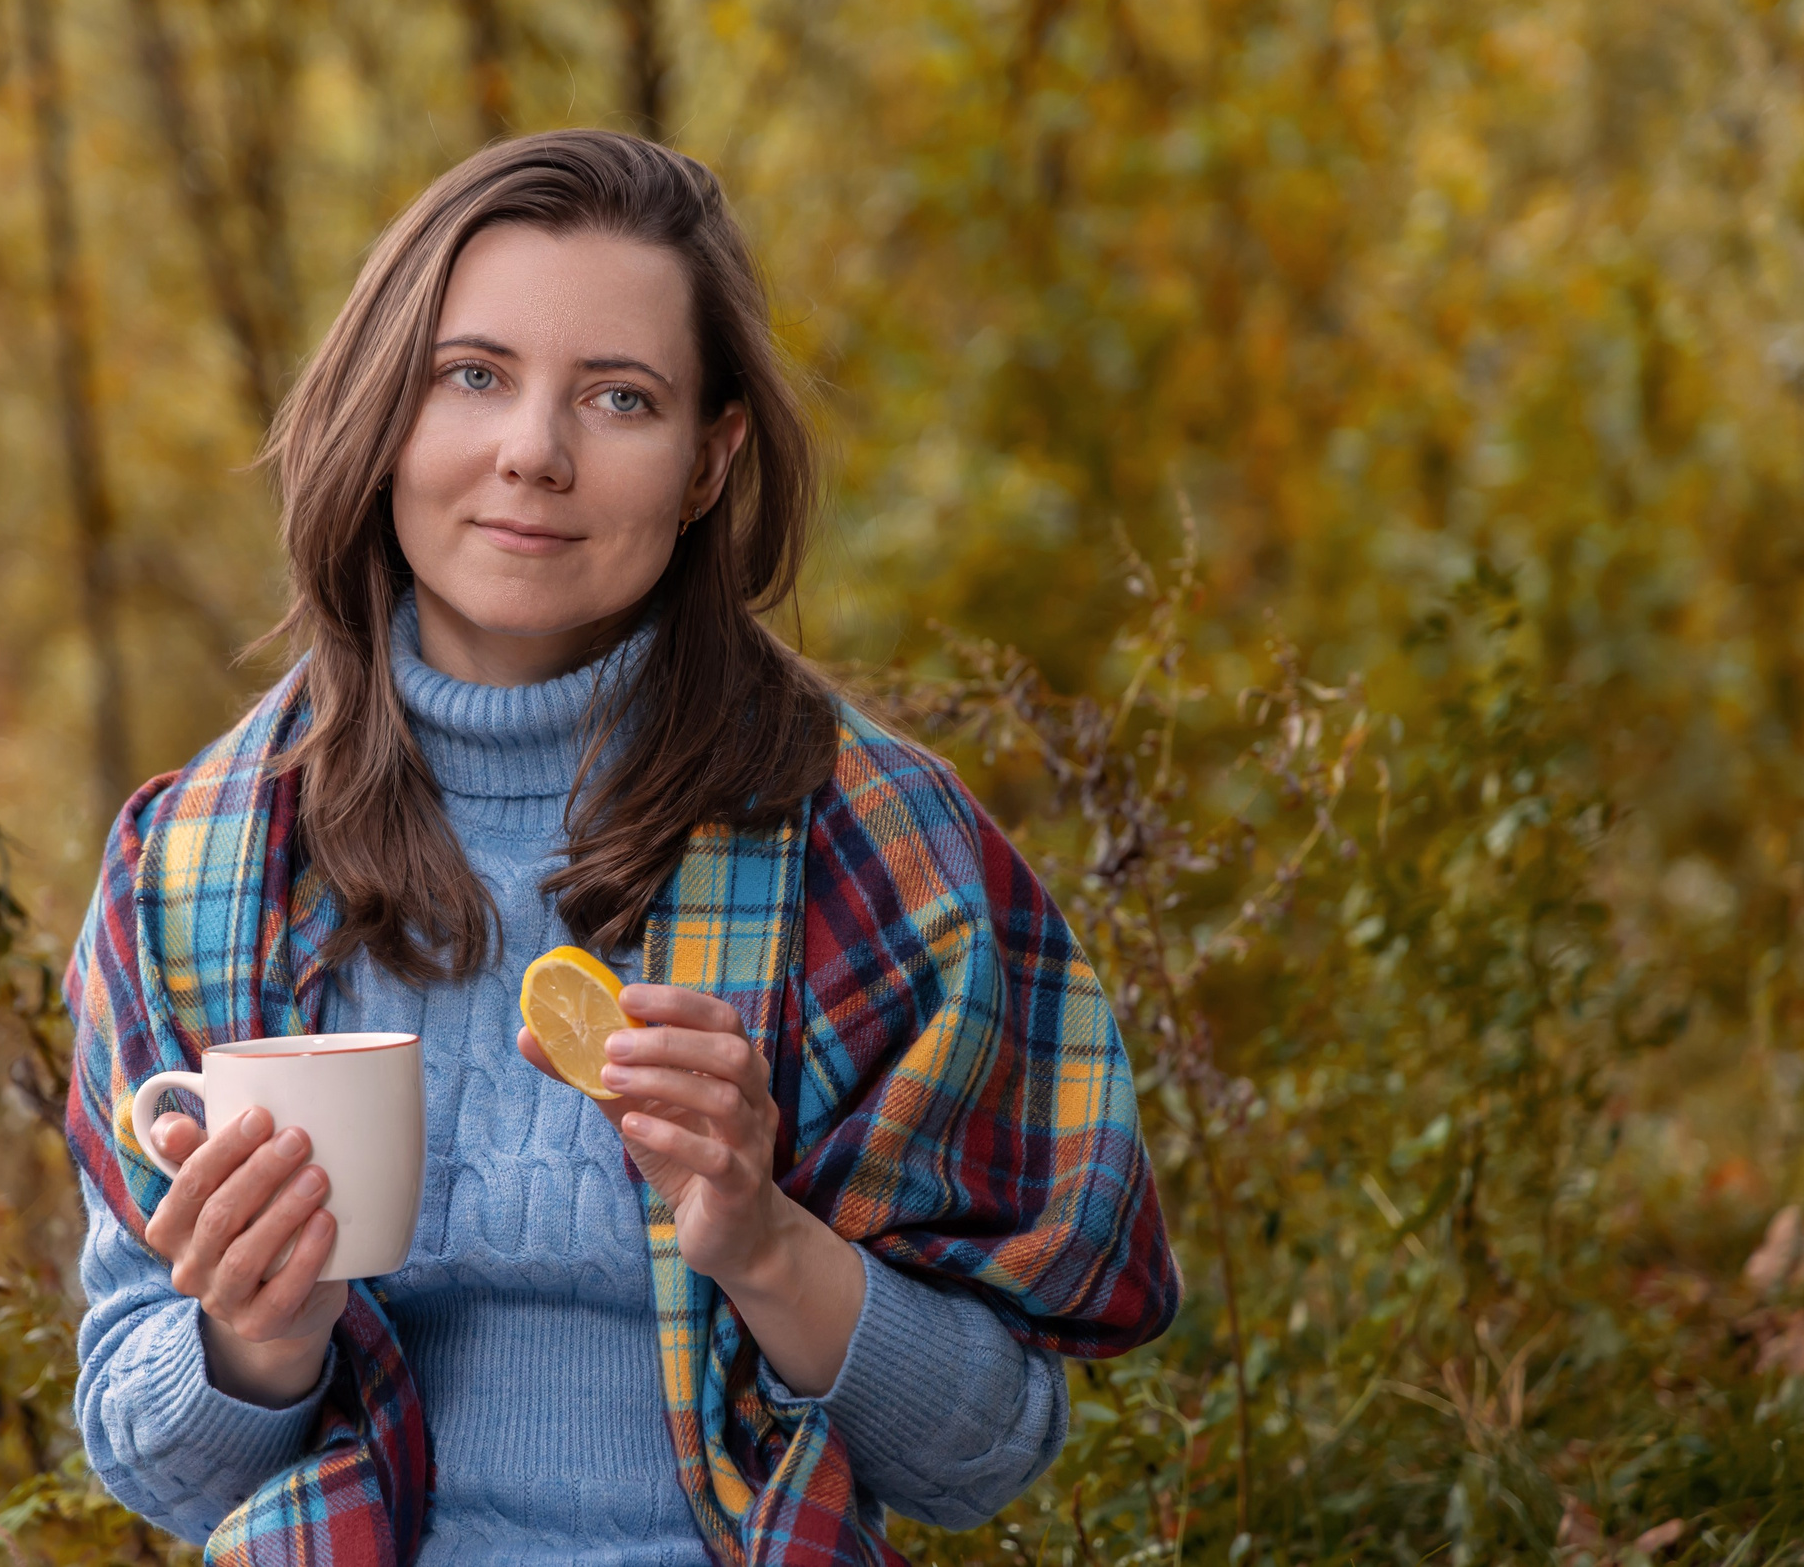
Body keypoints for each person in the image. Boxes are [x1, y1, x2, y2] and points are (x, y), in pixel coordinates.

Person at [62, 129, 1179, 1565]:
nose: (535, 451)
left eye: (620, 398)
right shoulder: (202, 864)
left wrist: (767, 1242)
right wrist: (255, 1337)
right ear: (383, 407)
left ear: (711, 460)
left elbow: (987, 1450)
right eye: (474, 376)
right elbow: (149, 1460)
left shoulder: (874, 846)